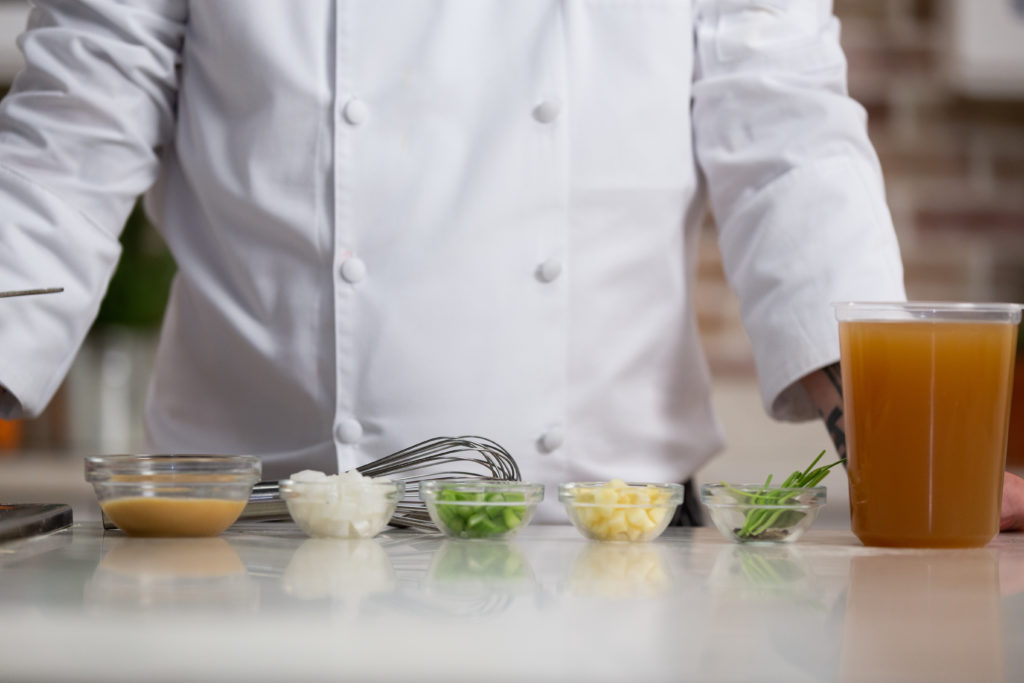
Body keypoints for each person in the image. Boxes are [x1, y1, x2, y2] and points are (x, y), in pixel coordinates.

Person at [0, 0, 1020, 527]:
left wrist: (901, 440)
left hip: (608, 540)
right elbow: (72, 133)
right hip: (251, 533)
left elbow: (782, 128)